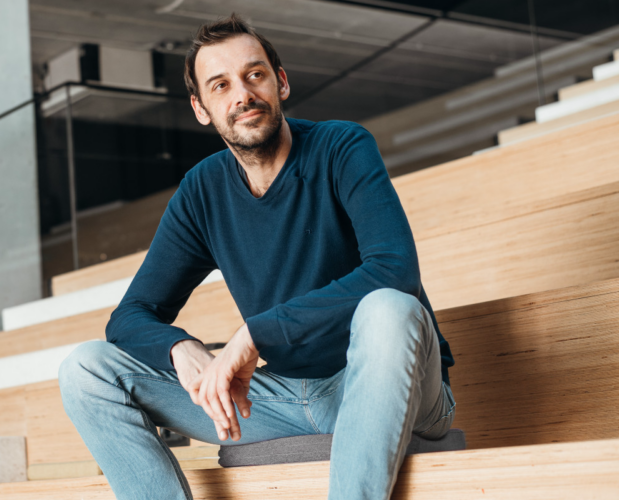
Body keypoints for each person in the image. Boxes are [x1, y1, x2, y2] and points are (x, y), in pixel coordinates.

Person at [58, 13, 456, 500]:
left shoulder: (341, 146)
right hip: (279, 401)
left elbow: (395, 270)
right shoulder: (201, 191)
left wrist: (254, 335)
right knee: (85, 369)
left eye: (254, 75)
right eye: (220, 85)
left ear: (280, 82)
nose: (242, 95)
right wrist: (180, 348)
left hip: (382, 383)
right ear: (201, 109)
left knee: (389, 307)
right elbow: (130, 316)